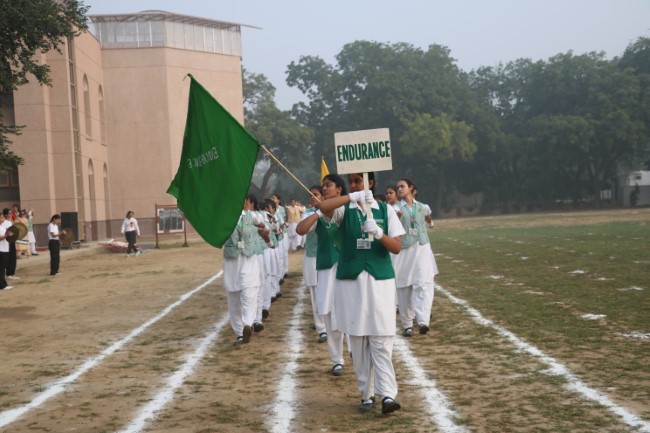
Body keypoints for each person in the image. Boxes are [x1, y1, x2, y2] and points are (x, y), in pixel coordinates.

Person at [318, 172, 405, 415]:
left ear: (371, 183)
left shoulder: (385, 211)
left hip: (380, 283)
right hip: (351, 284)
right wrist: (351, 197)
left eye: (359, 181)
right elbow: (324, 207)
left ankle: (387, 395)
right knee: (357, 341)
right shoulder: (343, 210)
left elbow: (397, 247)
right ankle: (366, 394)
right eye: (352, 182)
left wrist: (379, 233)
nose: (355, 185)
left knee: (381, 339)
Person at [297, 174, 348, 376]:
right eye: (323, 186)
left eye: (329, 185)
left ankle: (354, 349)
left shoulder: (347, 209)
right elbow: (301, 230)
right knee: (328, 313)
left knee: (349, 310)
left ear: (339, 190)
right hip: (326, 269)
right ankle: (337, 360)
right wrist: (318, 212)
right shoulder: (314, 213)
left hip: (347, 267)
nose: (325, 189)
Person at [393, 178, 438, 337]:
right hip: (405, 250)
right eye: (398, 187)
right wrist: (396, 217)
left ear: (411, 188)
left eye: (402, 186)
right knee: (404, 287)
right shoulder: (395, 208)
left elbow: (428, 217)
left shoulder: (422, 207)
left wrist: (430, 222)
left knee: (423, 284)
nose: (399, 189)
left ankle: (423, 320)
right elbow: (391, 226)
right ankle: (407, 325)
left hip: (422, 247)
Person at [222, 195, 269, 345]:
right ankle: (239, 333)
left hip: (249, 259)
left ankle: (247, 324)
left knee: (250, 293)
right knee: (233, 297)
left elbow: (265, 226)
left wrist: (260, 225)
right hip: (232, 261)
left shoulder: (252, 215)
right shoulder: (224, 217)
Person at [299, 185, 327, 343]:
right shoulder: (308, 213)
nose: (312, 197)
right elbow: (306, 228)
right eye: (310, 194)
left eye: (315, 194)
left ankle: (334, 325)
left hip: (329, 258)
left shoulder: (332, 211)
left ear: (323, 196)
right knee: (316, 294)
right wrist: (318, 213)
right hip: (312, 257)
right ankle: (322, 329)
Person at [2, 208, 17, 280]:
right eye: (9, 213)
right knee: (9, 258)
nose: (11, 214)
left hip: (12, 241)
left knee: (13, 257)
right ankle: (9, 273)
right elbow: (5, 232)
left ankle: (12, 273)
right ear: (5, 215)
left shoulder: (10, 221)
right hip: (7, 242)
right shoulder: (4, 223)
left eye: (11, 213)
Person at [0, 213, 13, 290]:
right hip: (1, 250)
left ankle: (3, 283)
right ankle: (2, 285)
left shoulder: (2, 227)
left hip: (5, 249)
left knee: (2, 268)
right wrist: (6, 235)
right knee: (1, 268)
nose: (3, 218)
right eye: (1, 217)